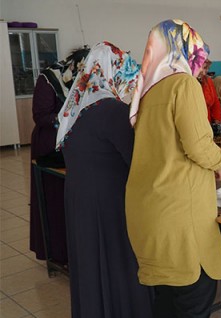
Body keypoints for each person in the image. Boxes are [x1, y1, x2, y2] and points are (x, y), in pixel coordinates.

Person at [126, 19, 221, 318]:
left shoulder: (146, 91)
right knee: (194, 297)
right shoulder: (183, 84)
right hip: (179, 215)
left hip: (149, 209)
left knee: (167, 300)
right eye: (198, 56)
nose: (201, 64)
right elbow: (197, 144)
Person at [56, 42, 153, 318]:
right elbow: (139, 160)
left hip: (80, 202)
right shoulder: (112, 111)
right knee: (118, 265)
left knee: (91, 267)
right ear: (114, 73)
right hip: (108, 205)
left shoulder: (75, 110)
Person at [29, 47, 89, 266]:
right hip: (50, 145)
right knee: (55, 200)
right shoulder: (49, 78)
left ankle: (77, 250)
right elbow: (41, 116)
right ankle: (59, 253)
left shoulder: (86, 80)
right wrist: (68, 118)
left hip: (74, 144)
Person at [197, 58, 221, 124]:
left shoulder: (208, 81)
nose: (206, 71)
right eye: (204, 68)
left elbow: (215, 102)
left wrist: (217, 119)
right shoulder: (188, 82)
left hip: (208, 122)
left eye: (208, 68)